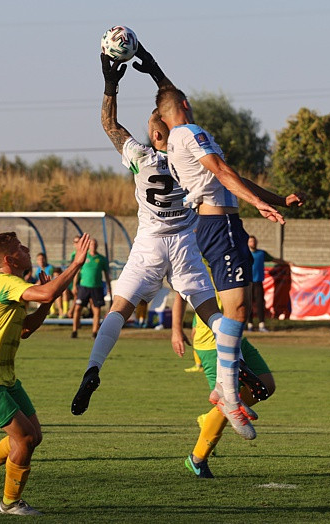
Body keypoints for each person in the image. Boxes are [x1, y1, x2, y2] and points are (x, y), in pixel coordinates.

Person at [70, 48, 263, 440]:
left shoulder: (141, 156)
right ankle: (233, 373)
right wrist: (156, 71)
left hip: (148, 246)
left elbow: (109, 125)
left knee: (119, 310)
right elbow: (177, 108)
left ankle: (93, 367)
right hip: (186, 244)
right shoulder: (182, 153)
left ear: (153, 135)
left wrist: (111, 83)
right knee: (214, 315)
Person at [154, 51, 302, 434]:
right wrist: (259, 206)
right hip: (219, 227)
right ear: (185, 105)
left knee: (240, 308)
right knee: (236, 311)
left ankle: (226, 389)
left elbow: (226, 178)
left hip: (217, 224)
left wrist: (274, 199)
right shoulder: (190, 133)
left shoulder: (175, 141)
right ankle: (227, 391)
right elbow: (222, 171)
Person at [0, 231, 91, 516]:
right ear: (9, 259)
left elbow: (25, 329)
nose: (27, 249)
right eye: (20, 247)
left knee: (33, 436)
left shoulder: (12, 287)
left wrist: (45, 305)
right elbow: (48, 291)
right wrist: (76, 263)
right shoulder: (5, 283)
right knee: (26, 439)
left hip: (3, 378)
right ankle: (9, 504)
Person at [173, 292, 275, 478]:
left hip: (236, 337)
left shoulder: (243, 263)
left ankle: (211, 418)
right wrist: (176, 329)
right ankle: (197, 459)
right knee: (227, 398)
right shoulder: (203, 262)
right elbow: (181, 293)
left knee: (266, 385)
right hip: (212, 343)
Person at [71, 238, 111, 339]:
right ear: (88, 245)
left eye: (95, 244)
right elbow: (77, 272)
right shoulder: (84, 256)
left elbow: (106, 274)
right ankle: (74, 330)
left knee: (96, 310)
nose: (93, 246)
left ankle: (94, 332)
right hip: (84, 287)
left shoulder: (101, 259)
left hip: (96, 287)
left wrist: (109, 287)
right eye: (92, 244)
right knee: (77, 308)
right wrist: (74, 285)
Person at [247, 235, 288, 332]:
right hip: (248, 283)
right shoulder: (245, 253)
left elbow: (274, 259)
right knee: (248, 305)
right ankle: (250, 325)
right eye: (251, 241)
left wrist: (287, 263)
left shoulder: (261, 253)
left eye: (254, 241)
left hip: (258, 282)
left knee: (260, 304)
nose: (253, 243)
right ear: (248, 243)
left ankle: (262, 325)